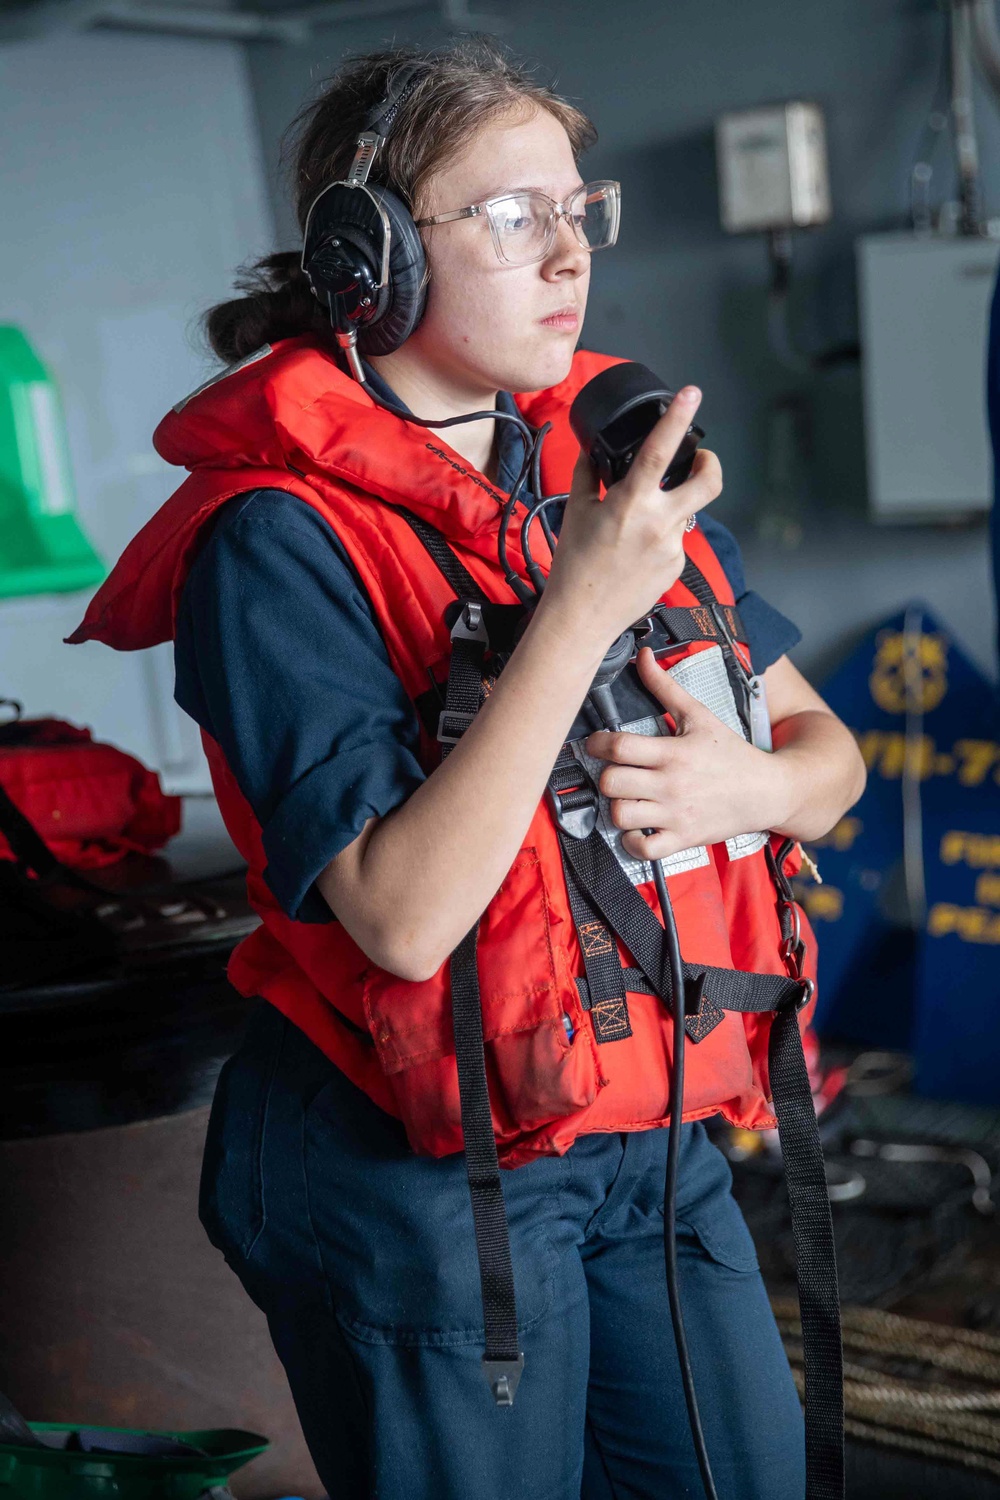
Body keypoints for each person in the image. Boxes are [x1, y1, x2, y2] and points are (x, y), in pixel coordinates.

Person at [70, 38, 865, 1500]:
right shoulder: (274, 545)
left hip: (648, 1123)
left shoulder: (602, 470)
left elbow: (828, 761)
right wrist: (577, 612)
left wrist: (741, 791)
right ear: (367, 260)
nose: (568, 252)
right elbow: (404, 915)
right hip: (418, 1166)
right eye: (511, 217)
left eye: (580, 210)